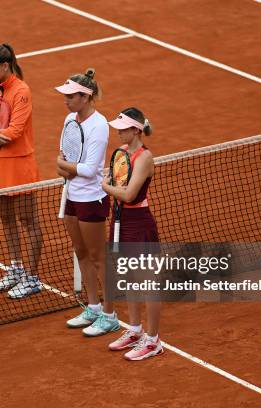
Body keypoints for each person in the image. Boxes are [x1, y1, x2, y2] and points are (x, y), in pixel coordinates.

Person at [0, 43, 43, 299]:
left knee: (28, 220)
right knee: (6, 218)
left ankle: (33, 277)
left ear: (5, 66)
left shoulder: (22, 91)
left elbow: (15, 131)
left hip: (20, 165)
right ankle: (16, 267)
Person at [55, 69, 120, 336]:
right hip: (71, 195)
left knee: (98, 257)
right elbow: (65, 158)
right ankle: (93, 307)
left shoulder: (99, 125)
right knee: (81, 252)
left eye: (71, 96)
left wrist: (66, 166)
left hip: (91, 198)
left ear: (86, 96)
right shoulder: (70, 118)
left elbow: (91, 168)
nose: (66, 100)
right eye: (66, 96)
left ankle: (110, 313)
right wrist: (68, 167)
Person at [102, 107, 163, 360]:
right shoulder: (122, 153)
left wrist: (105, 185)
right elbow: (119, 186)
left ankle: (153, 340)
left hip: (139, 222)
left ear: (136, 130)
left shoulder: (144, 157)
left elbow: (127, 194)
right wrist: (110, 183)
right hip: (121, 221)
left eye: (123, 128)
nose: (118, 132)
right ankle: (135, 330)